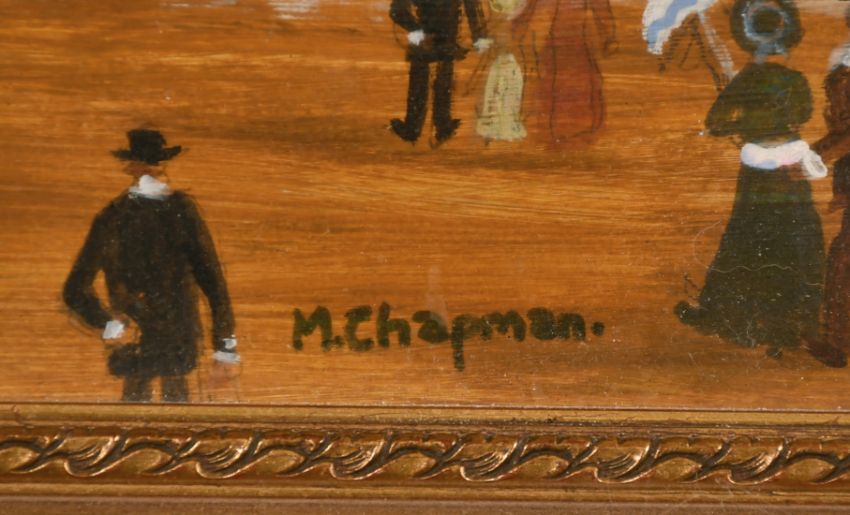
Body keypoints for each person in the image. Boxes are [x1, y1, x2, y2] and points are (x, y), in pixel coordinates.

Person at [675, 0, 829, 360]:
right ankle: (791, 324)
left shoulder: (747, 78)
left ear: (751, 38)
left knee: (746, 238)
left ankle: (732, 318)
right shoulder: (794, 79)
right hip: (789, 166)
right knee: (796, 239)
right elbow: (804, 113)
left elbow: (714, 121)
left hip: (758, 169)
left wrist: (738, 126)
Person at [63, 129, 240, 402]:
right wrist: (110, 324)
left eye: (156, 164)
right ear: (132, 168)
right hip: (136, 343)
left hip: (177, 344)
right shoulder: (112, 218)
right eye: (147, 164)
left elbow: (214, 283)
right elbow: (75, 290)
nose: (154, 172)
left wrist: (225, 347)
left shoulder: (182, 211)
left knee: (177, 409)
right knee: (135, 407)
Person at [512, 0, 617, 148]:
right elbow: (530, 6)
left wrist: (608, 36)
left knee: (579, 82)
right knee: (558, 84)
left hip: (576, 44)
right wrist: (519, 24)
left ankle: (578, 130)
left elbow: (601, 8)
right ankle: (564, 131)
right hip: (558, 45)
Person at [389, 0, 490, 146]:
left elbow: (397, 10)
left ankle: (420, 127)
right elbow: (472, 7)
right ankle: (439, 126)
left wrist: (417, 31)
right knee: (437, 78)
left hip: (435, 40)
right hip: (442, 39)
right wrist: (479, 37)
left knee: (429, 79)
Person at [474, 0, 528, 142]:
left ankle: (504, 124)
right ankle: (495, 124)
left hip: (508, 55)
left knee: (507, 87)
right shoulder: (495, 15)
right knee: (496, 87)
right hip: (501, 53)